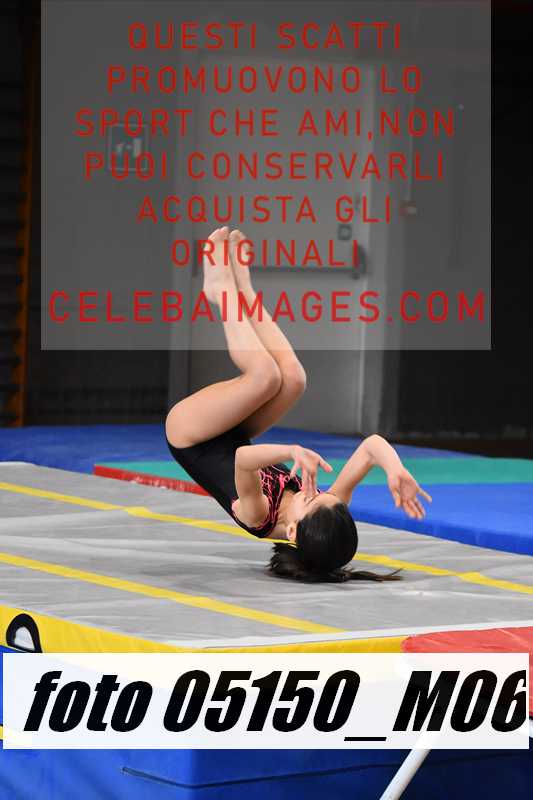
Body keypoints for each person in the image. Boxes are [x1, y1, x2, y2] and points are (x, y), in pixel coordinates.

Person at [165, 227, 432, 583]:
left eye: (310, 498)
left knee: (264, 377)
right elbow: (371, 447)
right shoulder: (326, 508)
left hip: (191, 436)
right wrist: (395, 470)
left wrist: (291, 450)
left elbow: (243, 460)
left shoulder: (258, 516)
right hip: (231, 433)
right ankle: (245, 291)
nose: (313, 490)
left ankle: (221, 291)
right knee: (293, 379)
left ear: (291, 532)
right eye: (323, 495)